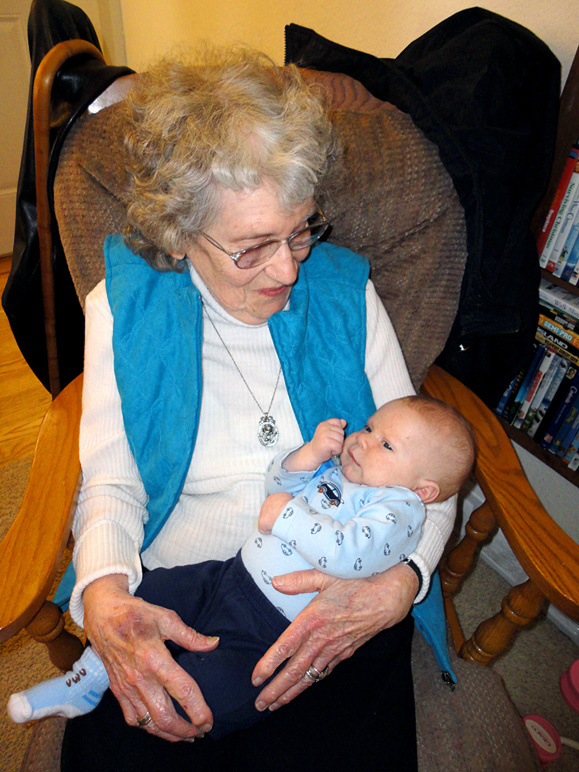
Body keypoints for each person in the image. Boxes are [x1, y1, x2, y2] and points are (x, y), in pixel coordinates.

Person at [52, 46, 459, 771]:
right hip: (185, 590)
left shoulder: (341, 291)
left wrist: (400, 585)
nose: (288, 268)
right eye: (252, 247)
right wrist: (108, 598)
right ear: (180, 234)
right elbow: (110, 481)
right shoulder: (124, 307)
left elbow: (425, 474)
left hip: (333, 597)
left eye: (301, 230)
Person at [8, 395, 475, 739]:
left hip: (271, 629)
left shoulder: (399, 510)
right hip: (229, 574)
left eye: (386, 444)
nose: (364, 440)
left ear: (425, 490)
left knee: (219, 693)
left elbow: (349, 553)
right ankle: (86, 679)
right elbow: (280, 482)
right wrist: (308, 456)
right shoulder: (346, 470)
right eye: (371, 427)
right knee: (153, 593)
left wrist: (287, 516)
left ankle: (166, 697)